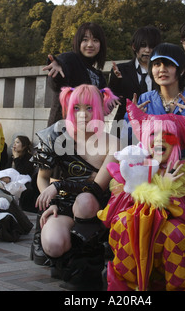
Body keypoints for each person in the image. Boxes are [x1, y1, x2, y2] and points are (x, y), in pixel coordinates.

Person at [99, 99, 185, 291]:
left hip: (169, 242)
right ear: (145, 139)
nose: (160, 140)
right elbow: (115, 210)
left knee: (175, 232)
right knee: (124, 222)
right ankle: (129, 287)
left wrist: (170, 190)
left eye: (168, 135)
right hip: (136, 235)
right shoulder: (132, 167)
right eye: (154, 134)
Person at [31, 84, 119, 290]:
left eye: (89, 108)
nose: (83, 114)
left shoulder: (114, 143)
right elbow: (42, 178)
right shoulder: (57, 137)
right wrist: (51, 201)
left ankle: (86, 270)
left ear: (100, 109)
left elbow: (96, 188)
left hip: (96, 209)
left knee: (85, 201)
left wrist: (59, 185)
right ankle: (70, 264)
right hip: (61, 203)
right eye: (76, 108)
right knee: (53, 244)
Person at [123, 42, 185, 160]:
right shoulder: (145, 99)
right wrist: (132, 121)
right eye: (156, 64)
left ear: (181, 70)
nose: (162, 70)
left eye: (169, 65)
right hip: (154, 167)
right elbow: (128, 141)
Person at [43, 22, 109, 127]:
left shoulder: (99, 76)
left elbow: (105, 109)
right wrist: (57, 68)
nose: (90, 44)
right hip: (62, 132)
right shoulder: (70, 59)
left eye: (95, 40)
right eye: (85, 40)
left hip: (87, 133)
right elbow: (57, 84)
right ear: (78, 42)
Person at [109, 26, 162, 136]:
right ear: (134, 46)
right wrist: (116, 80)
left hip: (154, 128)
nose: (147, 50)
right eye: (143, 46)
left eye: (152, 46)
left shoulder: (163, 72)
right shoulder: (121, 70)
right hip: (124, 127)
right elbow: (111, 99)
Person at [3, 135, 39, 212]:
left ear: (24, 146)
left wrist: (16, 158)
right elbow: (6, 170)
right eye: (14, 142)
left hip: (23, 182)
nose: (14, 145)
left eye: (17, 142)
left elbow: (22, 172)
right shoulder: (12, 157)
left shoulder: (29, 158)